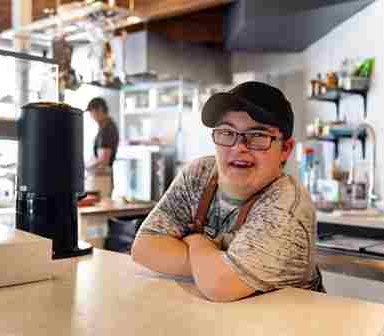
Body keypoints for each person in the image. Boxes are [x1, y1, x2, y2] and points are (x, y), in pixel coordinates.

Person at [131, 81, 324, 302]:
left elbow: (221, 285)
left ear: (285, 149)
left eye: (258, 136)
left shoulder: (287, 205)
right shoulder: (199, 173)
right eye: (226, 132)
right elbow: (144, 248)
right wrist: (212, 263)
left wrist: (196, 241)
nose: (238, 147)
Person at [85, 97, 119, 198]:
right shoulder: (107, 127)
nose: (91, 116)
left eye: (92, 112)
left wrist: (85, 166)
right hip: (103, 179)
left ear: (99, 110)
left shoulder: (107, 129)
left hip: (101, 180)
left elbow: (103, 159)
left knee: (100, 208)